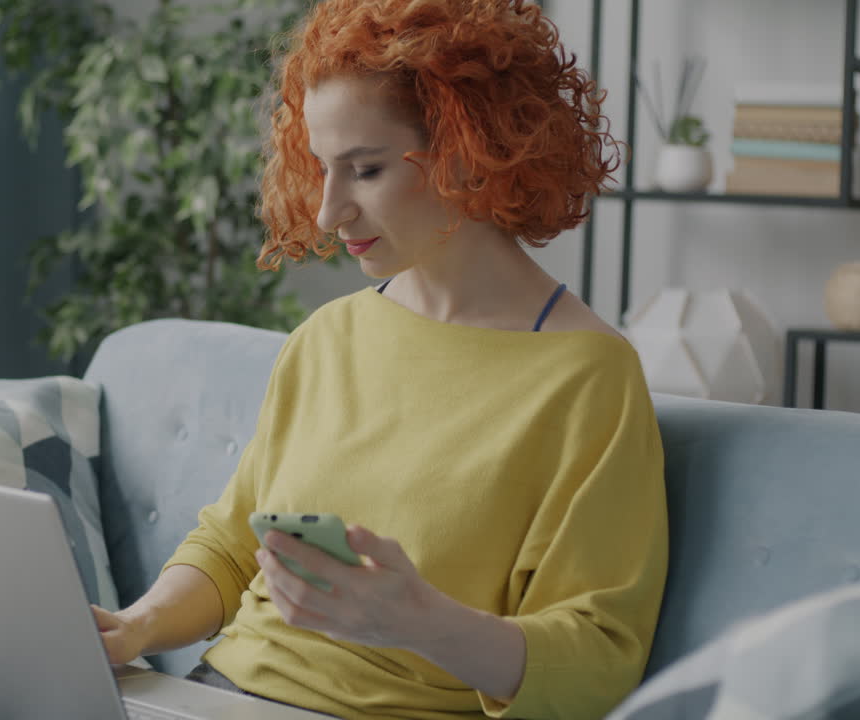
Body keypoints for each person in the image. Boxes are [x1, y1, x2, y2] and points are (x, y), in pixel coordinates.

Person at [92, 1, 668, 718]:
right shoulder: (327, 339)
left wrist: (419, 622)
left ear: (469, 149)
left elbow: (598, 658)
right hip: (218, 697)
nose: (330, 212)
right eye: (322, 169)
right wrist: (136, 626)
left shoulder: (588, 378)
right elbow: (234, 543)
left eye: (364, 171)